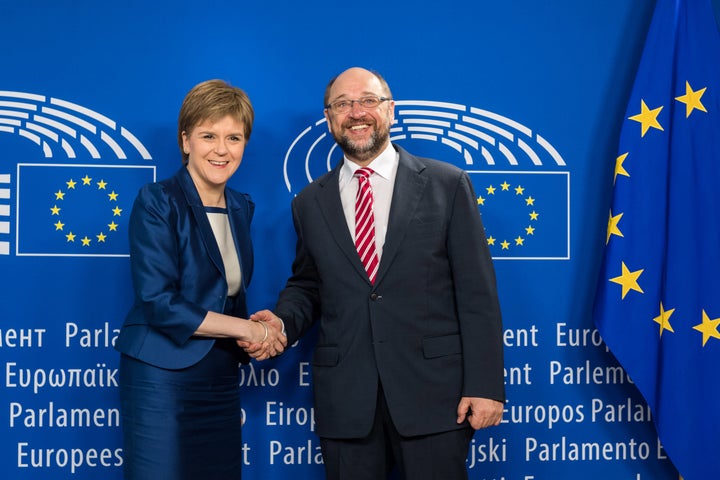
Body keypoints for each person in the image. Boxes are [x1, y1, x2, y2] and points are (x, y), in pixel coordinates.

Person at [251, 67, 505, 480]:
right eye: (343, 104)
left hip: (434, 397)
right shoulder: (309, 203)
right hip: (348, 403)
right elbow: (309, 285)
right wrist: (280, 322)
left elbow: (477, 294)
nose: (356, 112)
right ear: (330, 118)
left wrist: (486, 385)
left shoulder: (447, 184)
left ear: (390, 110)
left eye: (368, 100)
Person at [115, 79, 286, 479]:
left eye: (234, 137)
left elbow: (229, 296)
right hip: (160, 377)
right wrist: (248, 329)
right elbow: (159, 302)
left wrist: (259, 332)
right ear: (185, 140)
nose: (222, 149)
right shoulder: (157, 200)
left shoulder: (242, 207)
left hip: (220, 379)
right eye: (209, 135)